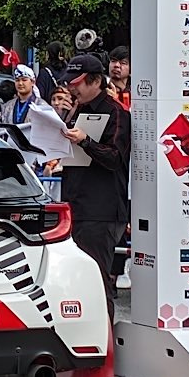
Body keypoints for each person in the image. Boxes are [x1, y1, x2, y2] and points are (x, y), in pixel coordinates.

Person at [57, 54, 131, 319]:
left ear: (96, 81)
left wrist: (86, 141)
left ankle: (105, 342)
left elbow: (115, 157)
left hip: (102, 211)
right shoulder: (75, 110)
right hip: (74, 204)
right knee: (74, 284)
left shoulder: (116, 112)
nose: (71, 89)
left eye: (77, 83)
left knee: (98, 282)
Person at [106, 46, 131, 110]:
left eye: (123, 63)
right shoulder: (101, 89)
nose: (116, 65)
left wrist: (115, 100)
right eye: (113, 61)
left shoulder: (136, 94)